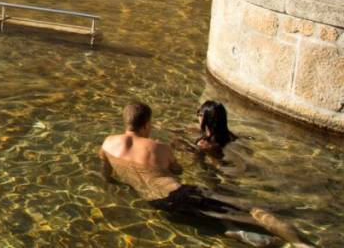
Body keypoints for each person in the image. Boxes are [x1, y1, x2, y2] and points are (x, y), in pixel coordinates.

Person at [99, 102, 311, 247]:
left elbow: (106, 174)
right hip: (179, 195)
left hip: (155, 203)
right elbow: (177, 171)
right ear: (146, 124)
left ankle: (240, 233)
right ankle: (300, 243)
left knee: (210, 217)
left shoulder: (108, 143)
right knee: (255, 211)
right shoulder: (158, 147)